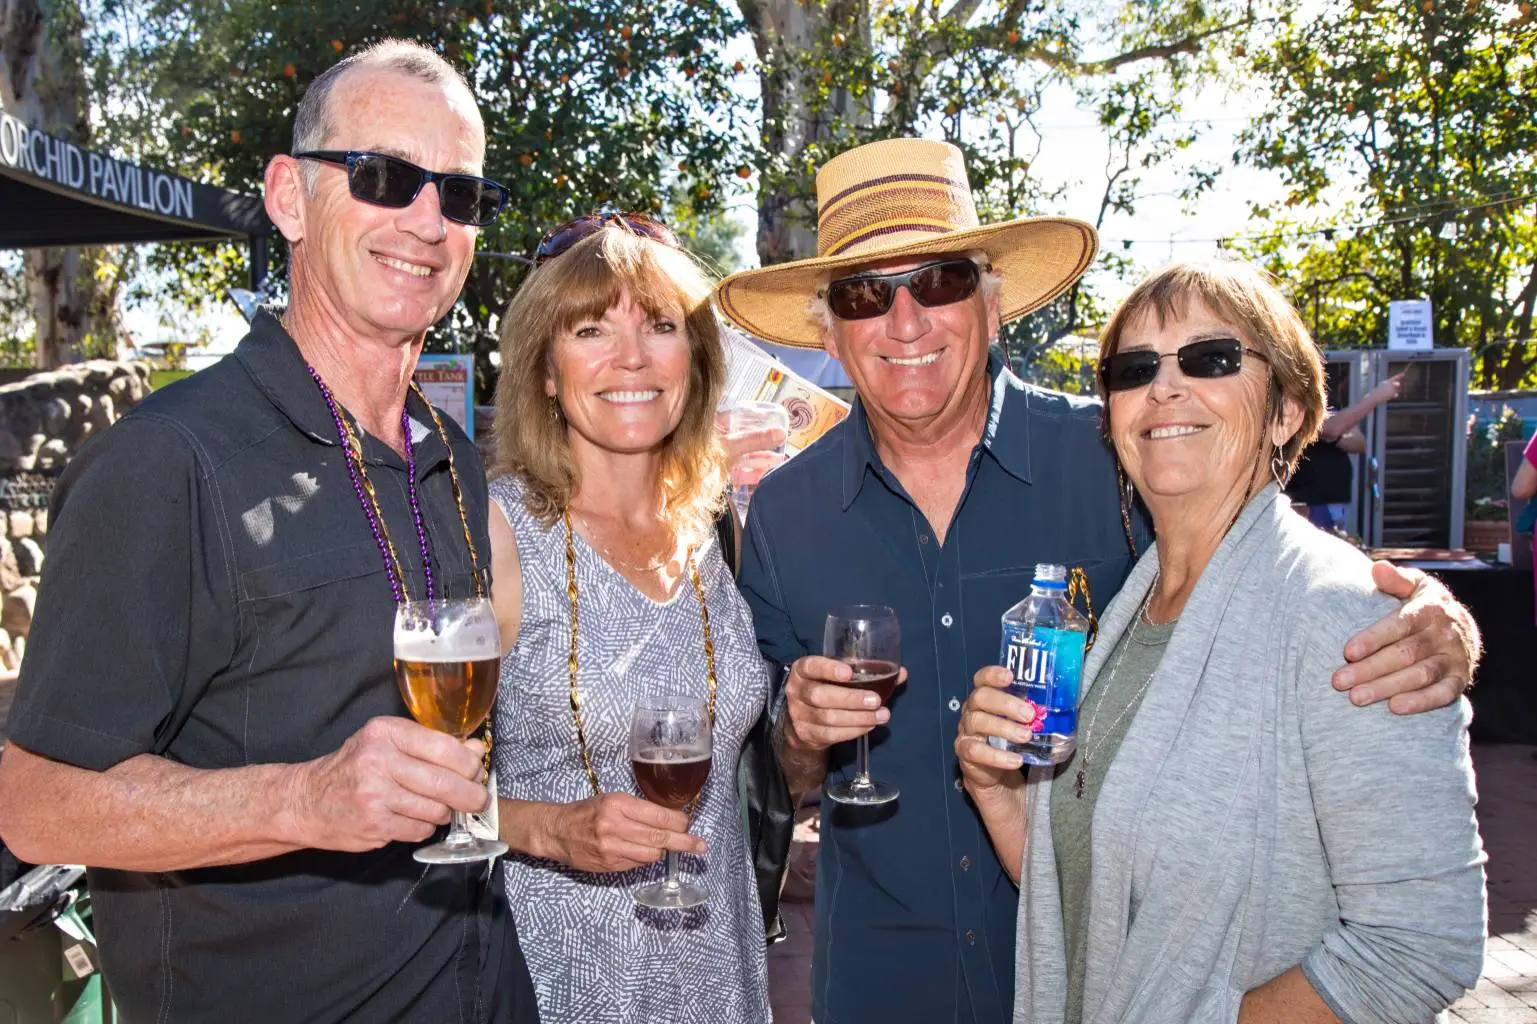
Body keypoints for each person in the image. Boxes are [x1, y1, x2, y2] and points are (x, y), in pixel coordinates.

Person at [713, 137, 1481, 1024]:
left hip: (1097, 978)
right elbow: (760, 763)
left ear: (991, 303)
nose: (906, 322)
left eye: (940, 282)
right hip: (881, 980)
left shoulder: (1116, 451)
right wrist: (799, 735)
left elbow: (1254, 551)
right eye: (862, 294)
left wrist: (1430, 615)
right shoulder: (785, 512)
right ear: (828, 332)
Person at [0, 41, 537, 1023]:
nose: (427, 222)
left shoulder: (450, 457)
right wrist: (305, 800)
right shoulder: (165, 463)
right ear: (290, 197)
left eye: (460, 196)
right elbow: (35, 803)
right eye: (383, 177)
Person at [957, 260, 1486, 1022]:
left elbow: (1416, 946)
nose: (1164, 387)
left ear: (1286, 412)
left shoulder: (1347, 621)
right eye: (1134, 369)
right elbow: (1088, 899)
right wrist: (997, 791)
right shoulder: (1127, 613)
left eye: (1211, 358)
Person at [485, 215, 772, 1023]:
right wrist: (547, 829)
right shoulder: (498, 533)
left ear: (695, 360)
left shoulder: (711, 528)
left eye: (659, 326)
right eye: (590, 330)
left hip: (718, 972)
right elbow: (411, 791)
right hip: (562, 981)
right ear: (545, 372)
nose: (632, 357)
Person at [1285, 370, 1404, 532]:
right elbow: (1332, 428)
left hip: (1335, 505)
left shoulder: (1324, 403)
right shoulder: (1291, 403)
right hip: (1309, 504)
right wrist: (1376, 396)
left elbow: (1359, 443)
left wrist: (1335, 435)